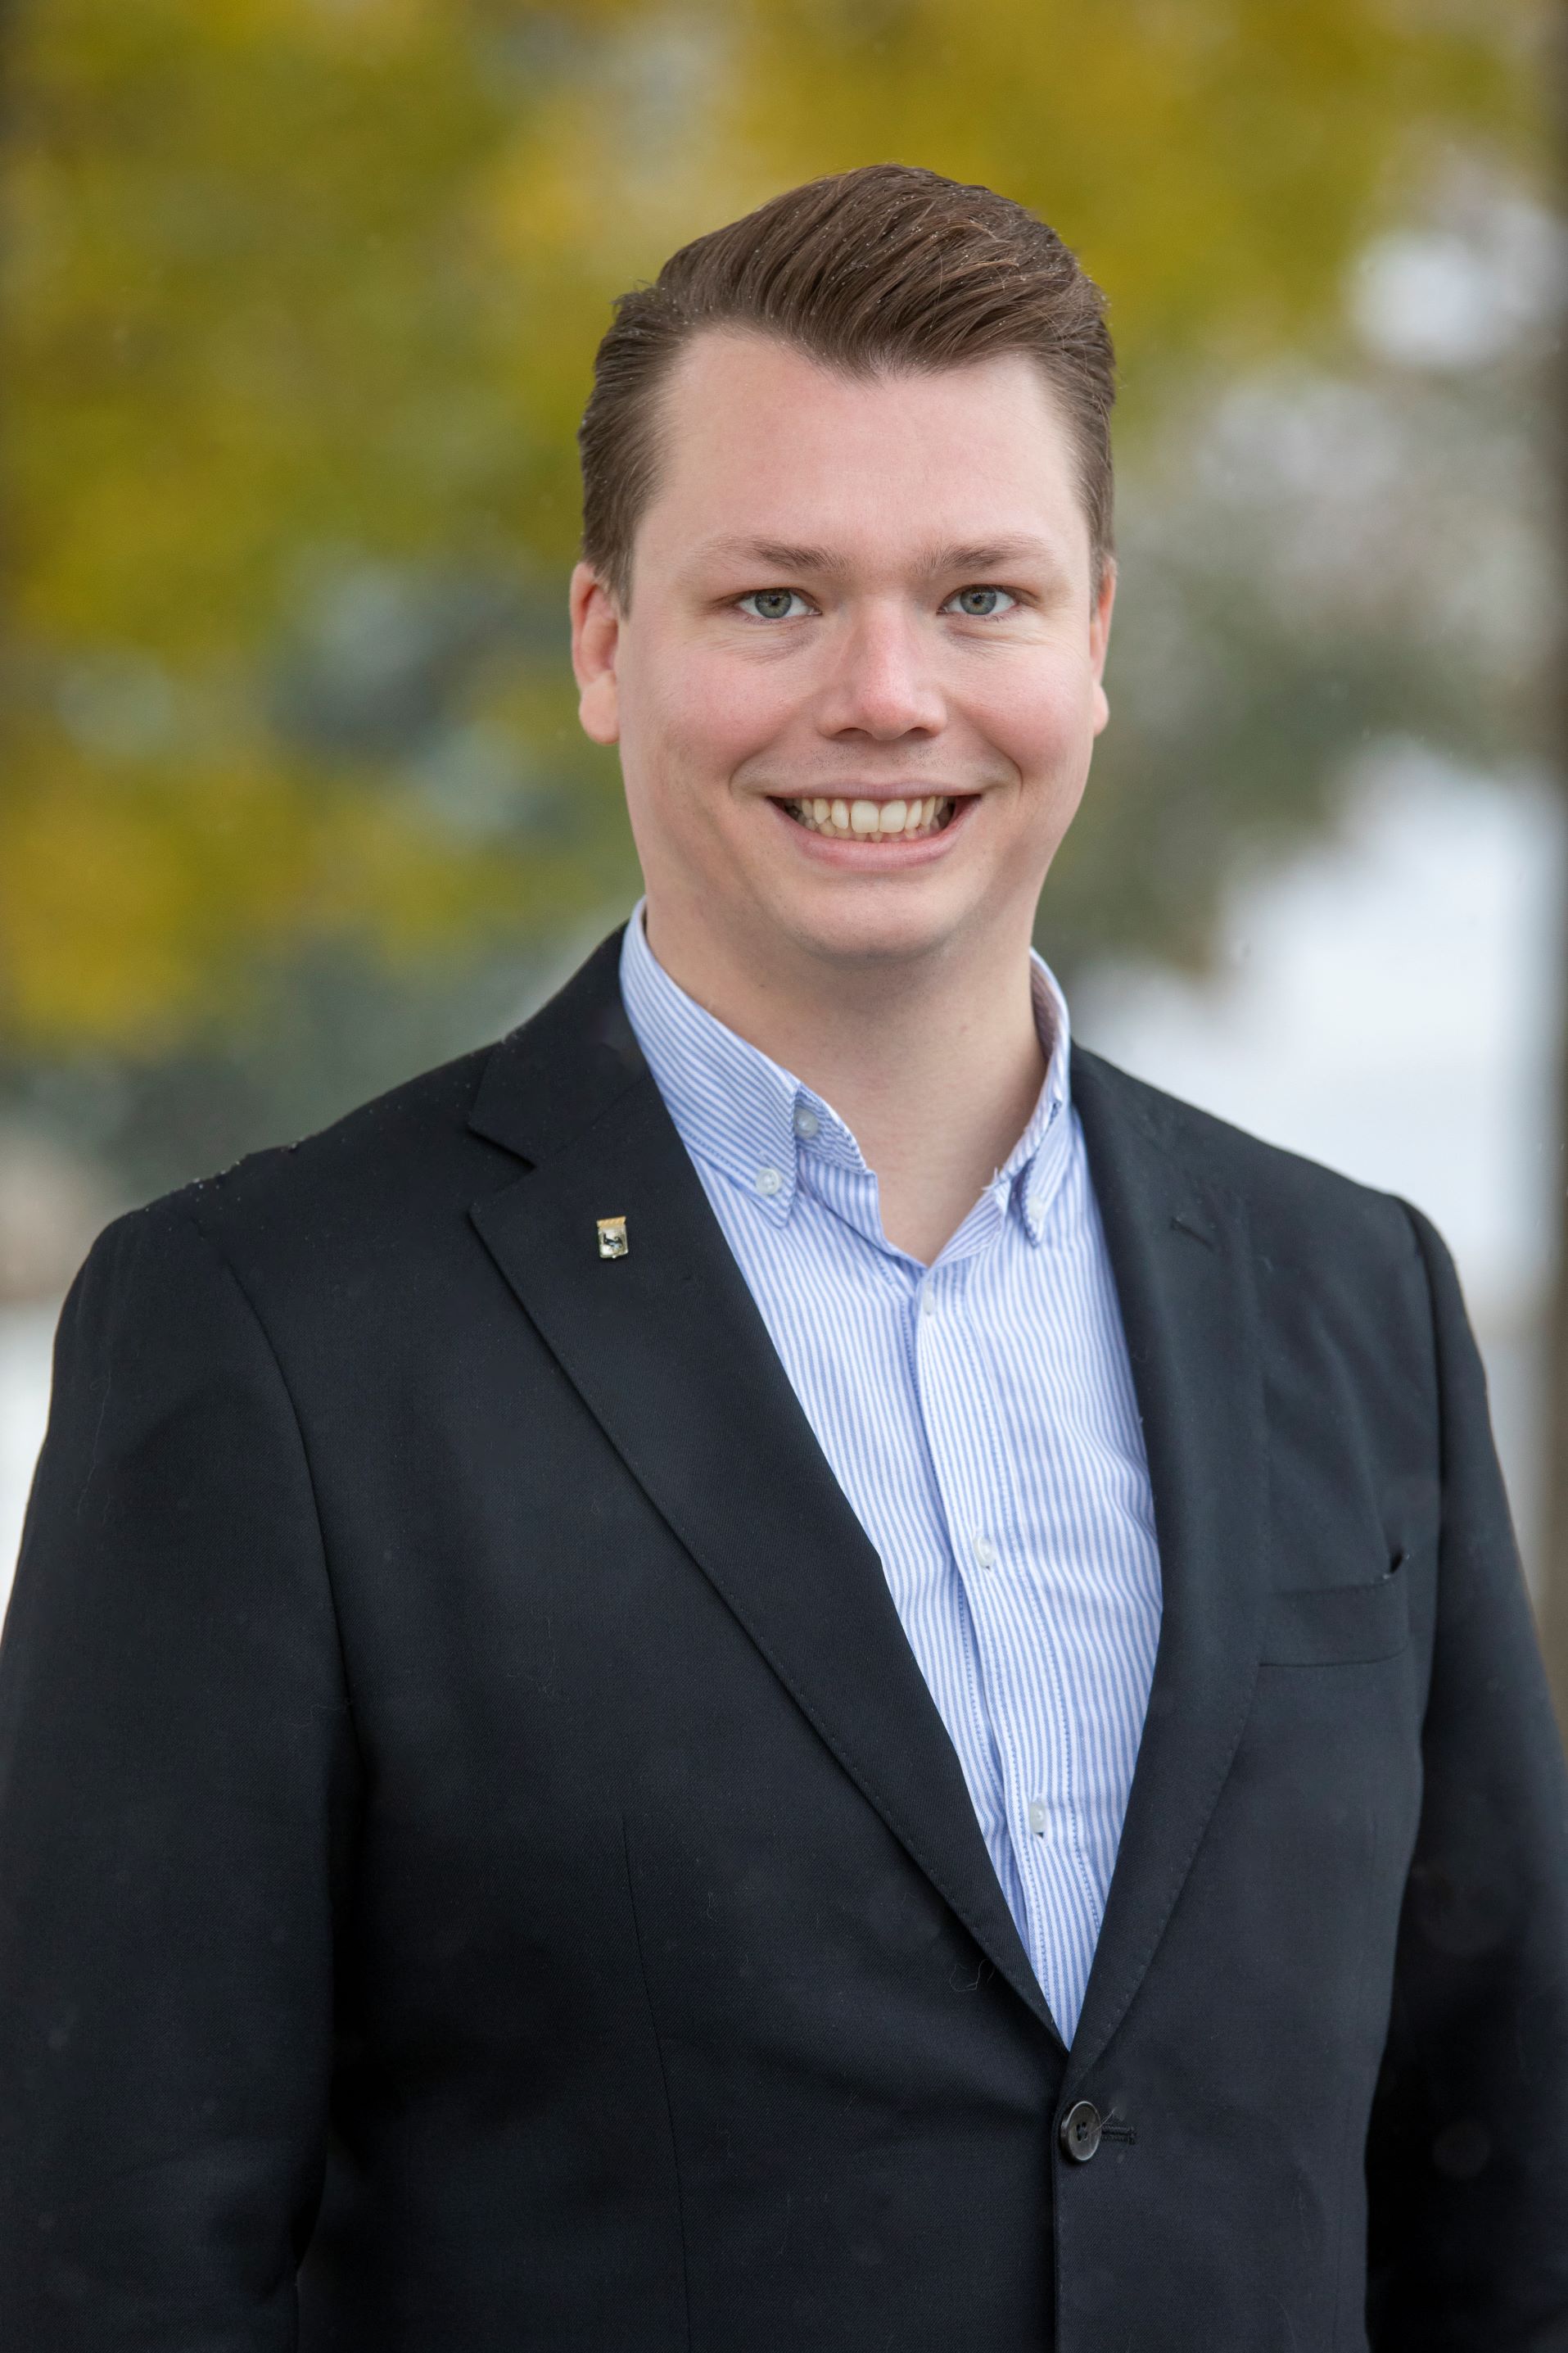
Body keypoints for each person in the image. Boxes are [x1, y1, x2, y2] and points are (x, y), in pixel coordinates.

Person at [2, 163, 1565, 2352]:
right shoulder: (266, 1336)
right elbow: (107, 2272)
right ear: (601, 643)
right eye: (773, 600)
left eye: (981, 595)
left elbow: (1500, 2199)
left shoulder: (1355, 1298)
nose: (885, 694)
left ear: (1096, 638)